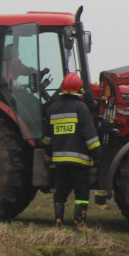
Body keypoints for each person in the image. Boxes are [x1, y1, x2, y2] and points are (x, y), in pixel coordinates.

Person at [43, 72, 102, 231]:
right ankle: (79, 223)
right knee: (81, 193)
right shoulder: (81, 108)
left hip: (60, 162)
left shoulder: (52, 109)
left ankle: (58, 222)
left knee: (60, 191)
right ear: (79, 89)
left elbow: (47, 138)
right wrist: (97, 155)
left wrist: (49, 153)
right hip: (80, 162)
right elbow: (90, 136)